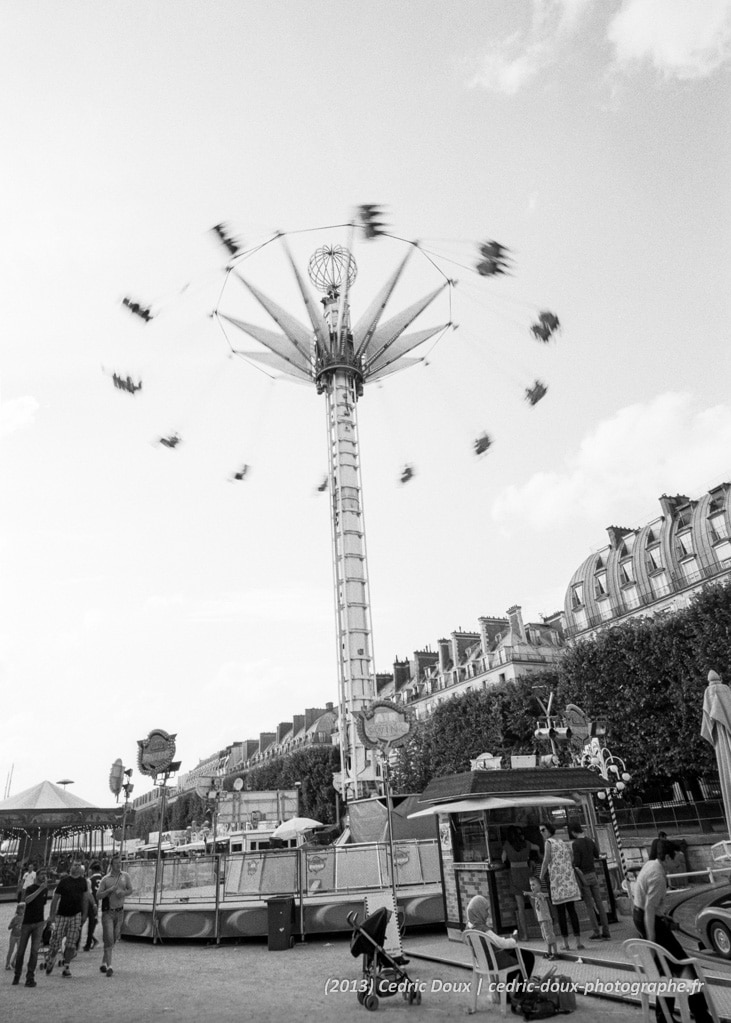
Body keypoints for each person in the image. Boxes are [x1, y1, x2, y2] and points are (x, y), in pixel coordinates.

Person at [465, 894, 535, 981]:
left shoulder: (469, 929)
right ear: (479, 911)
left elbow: (493, 940)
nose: (488, 914)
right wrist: (513, 939)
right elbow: (501, 943)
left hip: (482, 963)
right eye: (486, 910)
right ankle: (519, 991)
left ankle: (508, 992)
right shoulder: (483, 929)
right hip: (494, 962)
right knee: (527, 957)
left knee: (514, 955)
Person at [539, 821, 584, 951]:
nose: (541, 833)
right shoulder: (562, 842)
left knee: (561, 913)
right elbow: (570, 858)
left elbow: (546, 860)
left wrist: (540, 877)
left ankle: (565, 943)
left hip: (557, 883)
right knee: (572, 911)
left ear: (548, 830)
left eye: (543, 830)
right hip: (569, 882)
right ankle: (578, 941)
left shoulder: (548, 843)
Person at [46, 860, 89, 978]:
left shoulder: (83, 882)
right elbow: (55, 899)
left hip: (76, 915)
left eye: (79, 865)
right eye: (75, 864)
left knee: (71, 942)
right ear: (71, 867)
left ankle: (66, 966)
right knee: (56, 940)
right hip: (62, 915)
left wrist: (84, 914)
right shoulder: (64, 882)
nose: (77, 866)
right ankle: (52, 957)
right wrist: (52, 916)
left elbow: (85, 898)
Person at [568, 822, 611, 940]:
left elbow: (577, 862)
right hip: (593, 874)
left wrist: (572, 861)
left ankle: (596, 932)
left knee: (589, 905)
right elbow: (597, 855)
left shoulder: (576, 844)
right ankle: (606, 931)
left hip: (583, 876)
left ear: (572, 832)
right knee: (599, 903)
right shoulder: (590, 841)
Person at [96, 852, 133, 977]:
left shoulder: (125, 876)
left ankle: (103, 962)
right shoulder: (105, 879)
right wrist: (109, 891)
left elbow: (130, 890)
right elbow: (98, 895)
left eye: (120, 863)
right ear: (111, 865)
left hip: (120, 911)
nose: (119, 865)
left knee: (114, 937)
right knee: (109, 938)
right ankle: (110, 966)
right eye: (116, 863)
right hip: (108, 912)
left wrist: (123, 892)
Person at [12, 866, 49, 988]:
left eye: (45, 874)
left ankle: (30, 977)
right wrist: (40, 890)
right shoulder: (30, 888)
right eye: (42, 874)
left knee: (34, 951)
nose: (44, 876)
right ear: (37, 876)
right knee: (21, 951)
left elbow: (42, 904)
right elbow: (27, 900)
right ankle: (17, 975)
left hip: (39, 922)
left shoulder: (45, 889)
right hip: (27, 923)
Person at [501, 825, 540, 940]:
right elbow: (537, 847)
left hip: (515, 874)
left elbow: (503, 858)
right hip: (526, 872)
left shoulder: (507, 845)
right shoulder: (526, 844)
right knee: (534, 904)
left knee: (520, 907)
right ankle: (543, 930)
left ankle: (525, 935)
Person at [526, 875, 558, 959]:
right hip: (541, 920)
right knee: (545, 937)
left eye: (534, 884)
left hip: (546, 919)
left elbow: (536, 895)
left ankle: (555, 953)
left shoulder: (541, 895)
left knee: (550, 936)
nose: (532, 887)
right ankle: (549, 952)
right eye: (531, 885)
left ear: (539, 886)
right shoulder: (536, 896)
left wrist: (527, 893)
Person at [83, 861, 103, 951]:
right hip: (98, 903)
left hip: (90, 903)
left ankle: (89, 942)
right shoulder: (103, 879)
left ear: (92, 870)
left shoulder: (90, 880)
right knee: (92, 923)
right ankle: (91, 940)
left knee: (86, 923)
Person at [6, 902, 24, 970]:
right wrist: (14, 924)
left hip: (20, 936)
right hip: (13, 936)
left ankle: (13, 961)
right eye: (22, 909)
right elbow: (9, 927)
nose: (23, 910)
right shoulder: (15, 918)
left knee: (19, 950)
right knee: (11, 950)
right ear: (18, 910)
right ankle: (7, 964)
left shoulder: (24, 918)